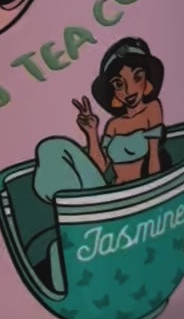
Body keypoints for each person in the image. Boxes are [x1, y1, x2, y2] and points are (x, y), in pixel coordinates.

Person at [33, 37, 172, 206]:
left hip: (138, 195)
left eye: (137, 77)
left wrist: (154, 195)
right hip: (109, 193)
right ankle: (67, 202)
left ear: (147, 80)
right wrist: (91, 132)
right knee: (50, 147)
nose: (129, 90)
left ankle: (71, 204)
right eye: (119, 84)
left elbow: (154, 157)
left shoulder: (152, 109)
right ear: (112, 91)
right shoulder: (113, 125)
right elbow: (99, 167)